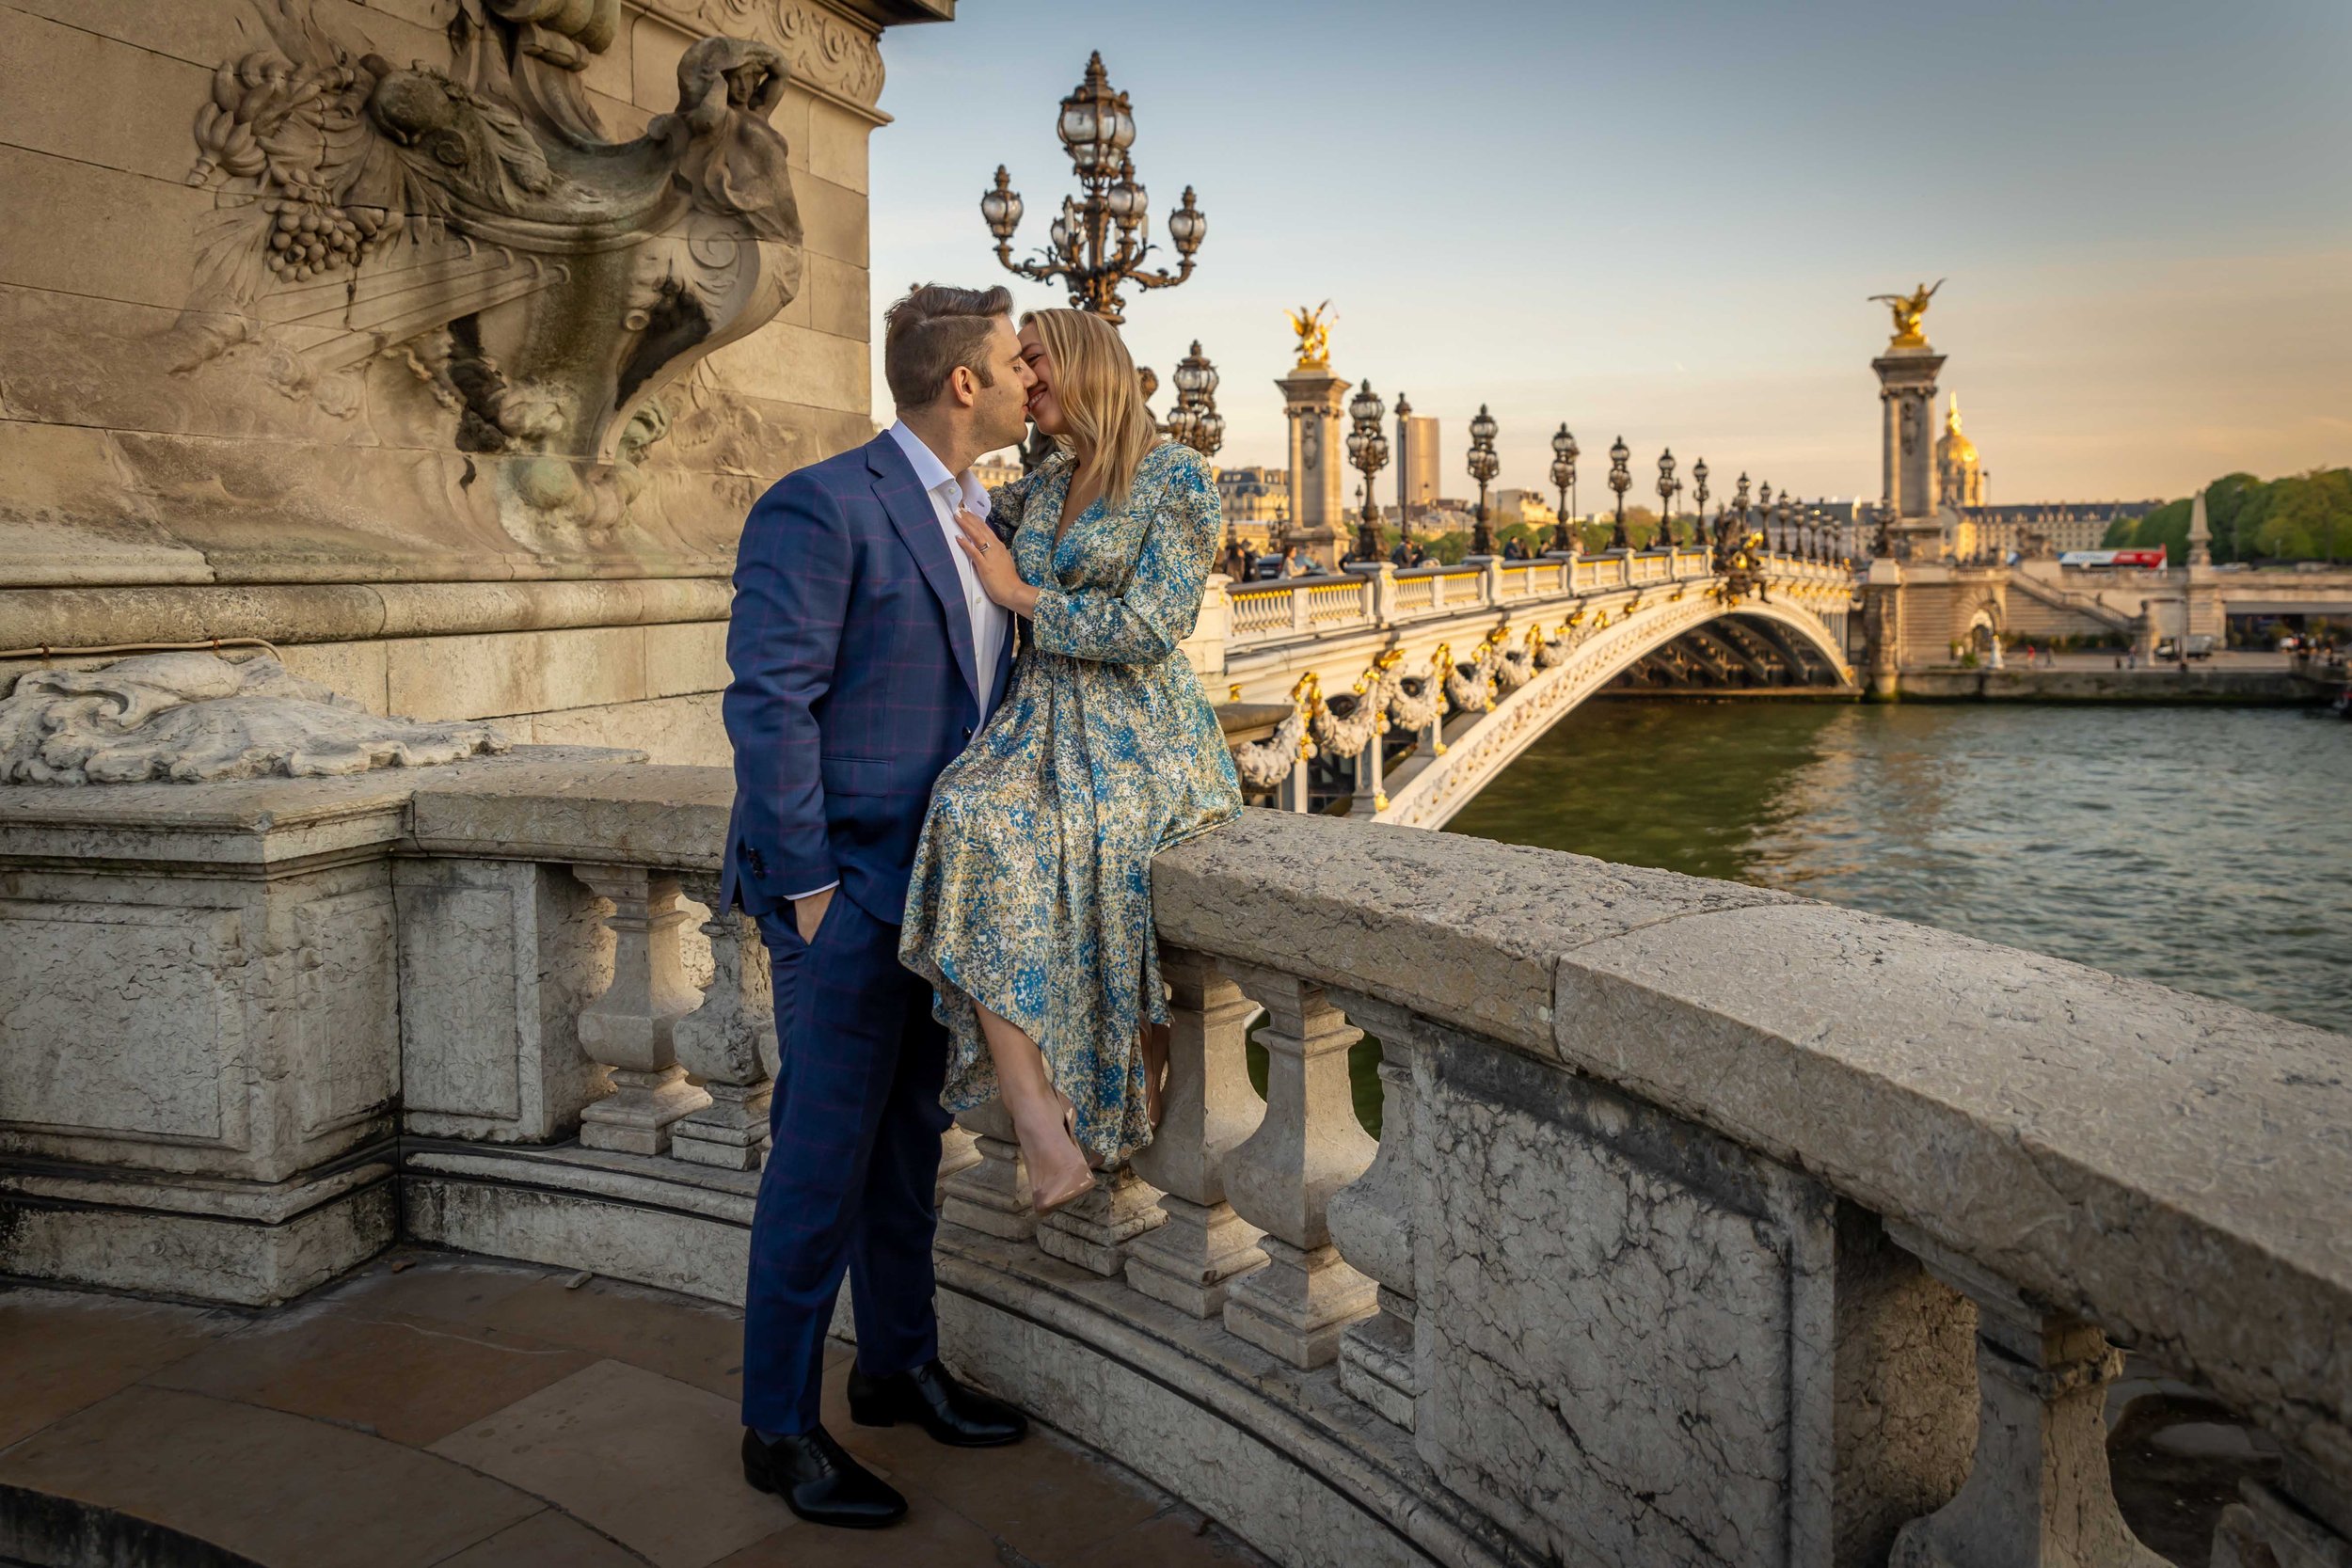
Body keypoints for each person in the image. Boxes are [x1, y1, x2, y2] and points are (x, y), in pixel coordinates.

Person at [722, 283, 1034, 1530]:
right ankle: (778, 1427)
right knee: (819, 1164)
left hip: (935, 897)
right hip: (845, 895)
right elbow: (769, 705)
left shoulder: (985, 517)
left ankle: (897, 1363)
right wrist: (808, 893)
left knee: (909, 1148)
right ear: (964, 382)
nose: (1030, 379)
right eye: (1016, 361)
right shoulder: (821, 503)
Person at [899, 307, 1242, 1212]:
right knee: (968, 816)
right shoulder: (1042, 484)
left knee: (1089, 859)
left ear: (1086, 362)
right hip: (1041, 720)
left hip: (1140, 733)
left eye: (1037, 361)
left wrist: (1021, 594)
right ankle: (1044, 1119)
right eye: (1018, 366)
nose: (1027, 379)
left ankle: (1108, 1112)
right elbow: (949, 514)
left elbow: (1152, 627)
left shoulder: (1180, 480)